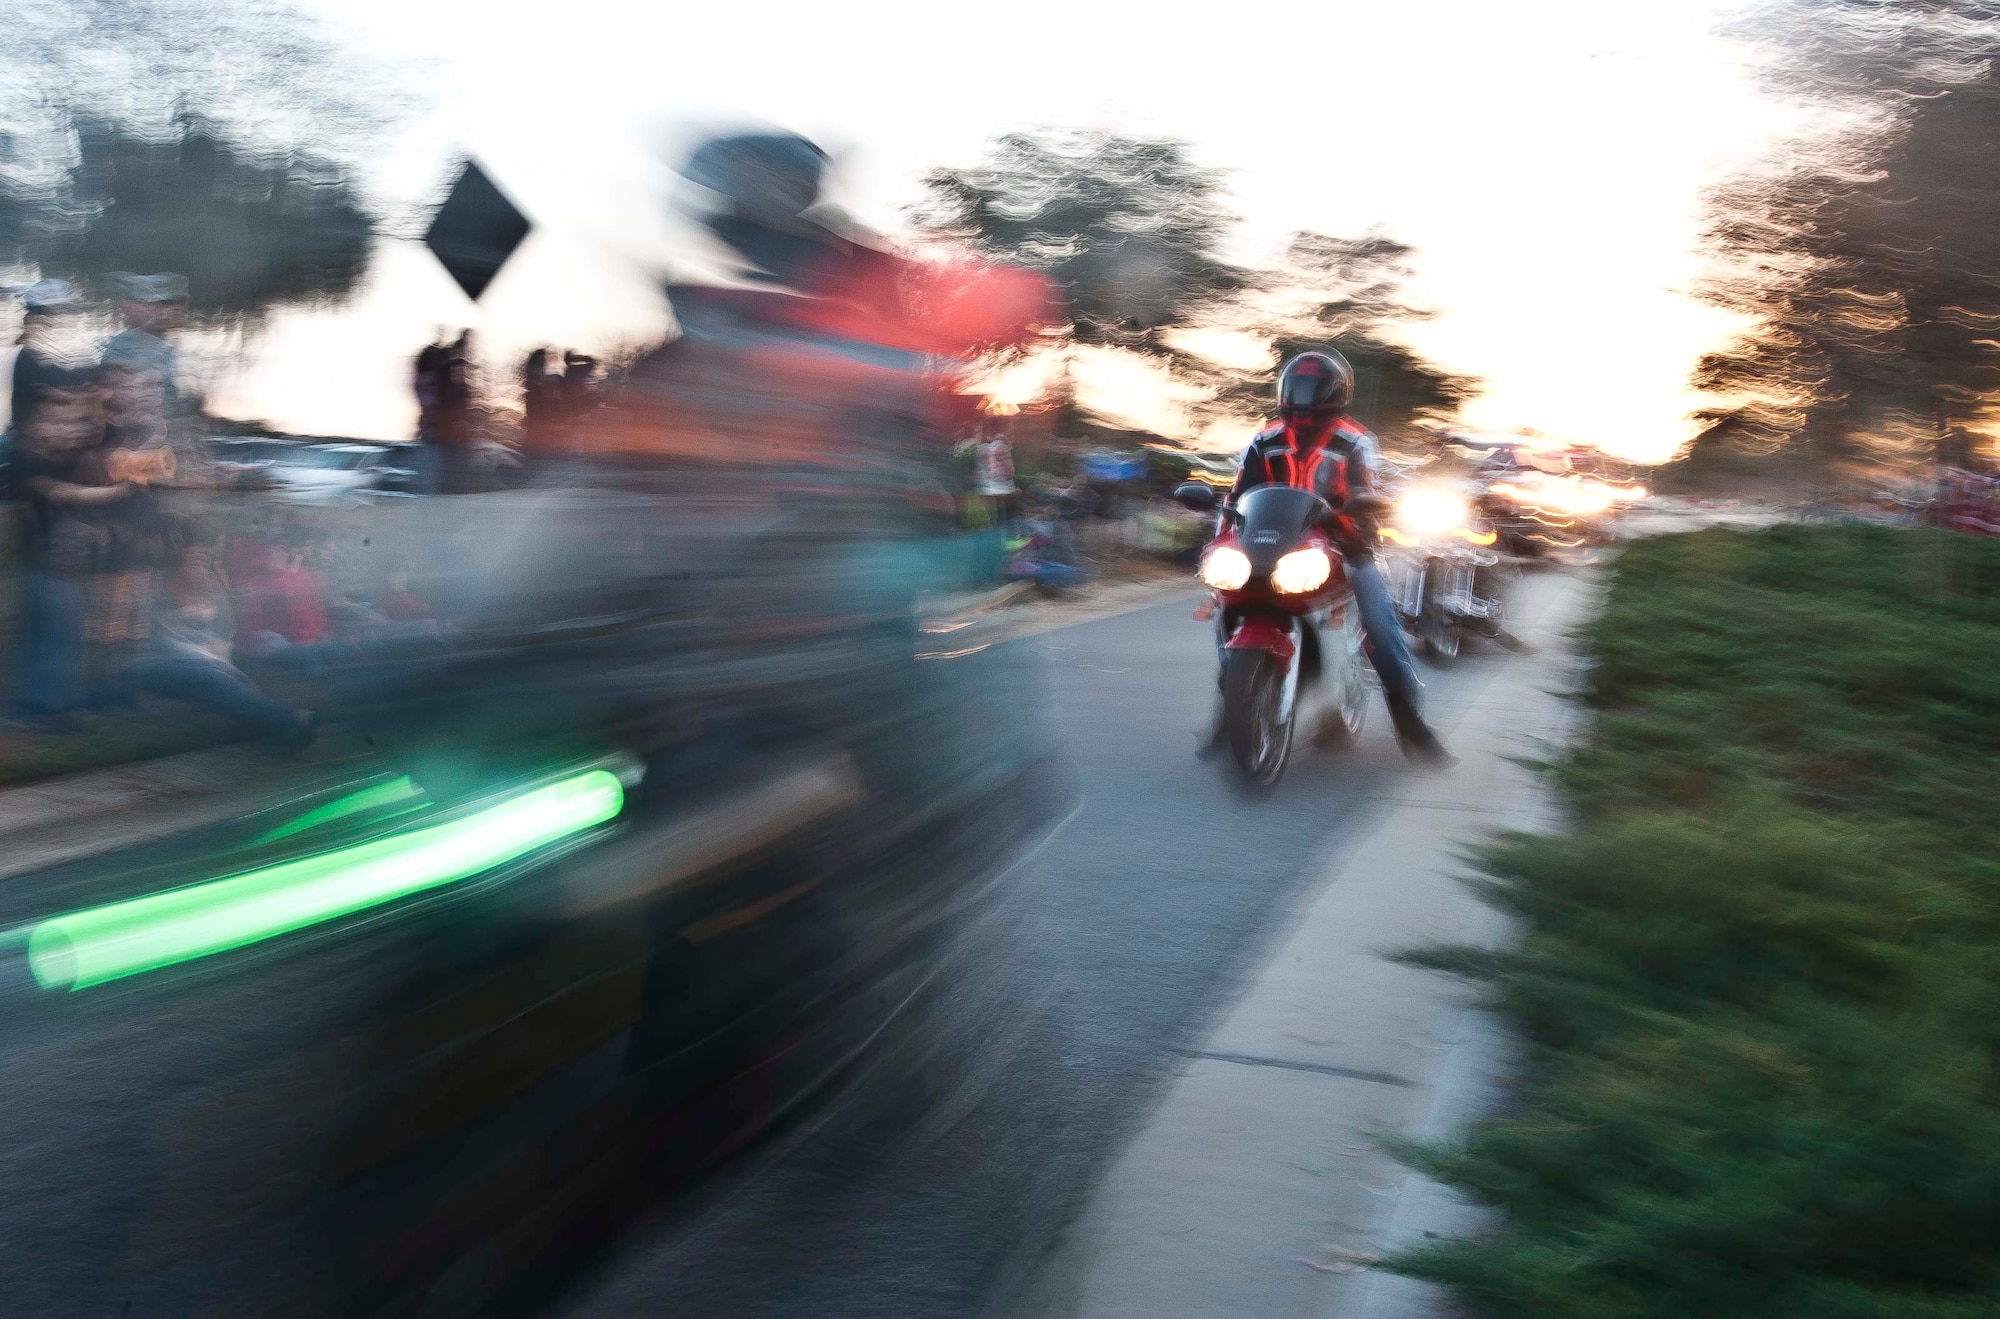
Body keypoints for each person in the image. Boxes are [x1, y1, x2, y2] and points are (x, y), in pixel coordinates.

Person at [1217, 350, 1452, 765]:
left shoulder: (1355, 440)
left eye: (1312, 388)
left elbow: (1366, 487)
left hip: (1343, 547)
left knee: (1379, 626)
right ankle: (1231, 703)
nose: (1303, 397)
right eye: (1297, 387)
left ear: (1335, 393)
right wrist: (1219, 542)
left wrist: (1364, 511)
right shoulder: (1264, 440)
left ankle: (1409, 721)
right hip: (1273, 547)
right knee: (1226, 602)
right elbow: (1236, 497)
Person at [7, 376, 139, 728]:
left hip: (69, 566)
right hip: (42, 566)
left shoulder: (68, 454)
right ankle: (41, 709)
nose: (67, 430)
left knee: (65, 638)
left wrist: (92, 402)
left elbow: (106, 435)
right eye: (55, 422)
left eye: (69, 422)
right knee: (50, 639)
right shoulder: (24, 460)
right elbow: (66, 495)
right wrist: (122, 490)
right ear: (32, 426)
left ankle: (58, 701)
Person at [100, 273, 189, 418]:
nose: (164, 312)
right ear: (127, 305)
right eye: (151, 304)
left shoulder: (167, 345)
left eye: (170, 304)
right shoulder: (123, 347)